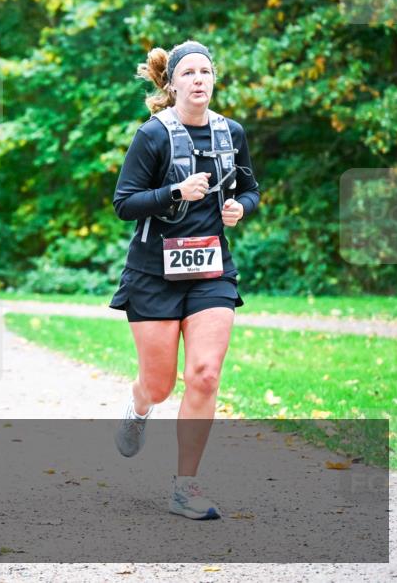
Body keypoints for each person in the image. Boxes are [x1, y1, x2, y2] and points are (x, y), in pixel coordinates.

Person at [109, 40, 259, 520]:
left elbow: (251, 189)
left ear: (214, 80)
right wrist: (174, 190)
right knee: (159, 385)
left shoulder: (230, 133)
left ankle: (185, 486)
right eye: (188, 72)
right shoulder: (152, 135)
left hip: (211, 271)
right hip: (154, 272)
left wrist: (241, 207)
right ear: (171, 83)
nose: (198, 79)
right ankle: (138, 406)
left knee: (205, 374)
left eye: (206, 72)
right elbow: (124, 203)